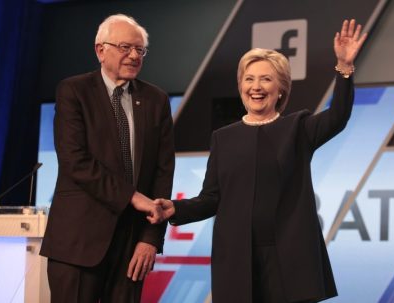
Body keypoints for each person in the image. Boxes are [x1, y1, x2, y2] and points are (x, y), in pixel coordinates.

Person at [154, 19, 367, 302]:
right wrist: (175, 209)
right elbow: (212, 198)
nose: (256, 86)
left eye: (266, 79)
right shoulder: (223, 138)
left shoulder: (298, 129)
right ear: (241, 85)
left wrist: (344, 68)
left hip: (288, 260)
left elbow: (338, 115)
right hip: (238, 260)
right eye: (249, 78)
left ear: (280, 89)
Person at [40, 14, 175, 303]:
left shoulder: (156, 100)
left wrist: (151, 238)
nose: (134, 55)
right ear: (101, 50)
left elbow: (164, 172)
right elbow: (75, 161)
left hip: (131, 247)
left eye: (140, 50)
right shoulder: (73, 91)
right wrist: (132, 196)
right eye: (126, 47)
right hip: (78, 243)